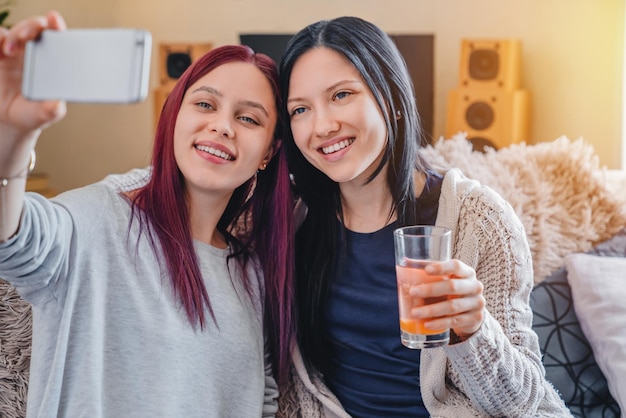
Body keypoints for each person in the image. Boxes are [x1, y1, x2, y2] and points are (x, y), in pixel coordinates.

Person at [0, 11, 295, 417]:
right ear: (175, 117)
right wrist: (11, 138)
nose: (223, 126)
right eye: (205, 104)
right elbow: (15, 241)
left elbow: (259, 400)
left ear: (269, 151)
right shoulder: (98, 219)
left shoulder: (252, 272)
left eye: (248, 118)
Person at [276, 16, 571, 417]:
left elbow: (522, 403)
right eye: (300, 110)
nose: (323, 125)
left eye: (342, 95)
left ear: (393, 101)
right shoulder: (293, 224)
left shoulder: (479, 219)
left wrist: (474, 330)